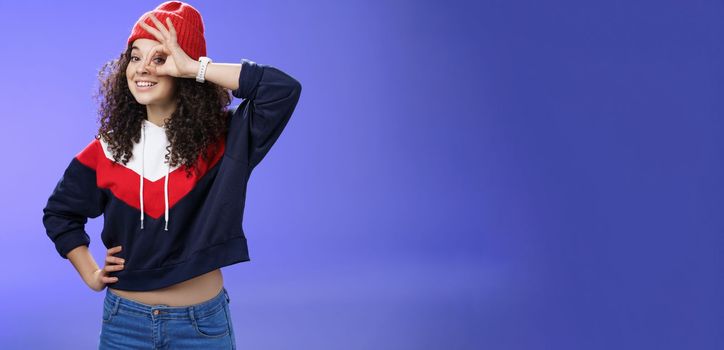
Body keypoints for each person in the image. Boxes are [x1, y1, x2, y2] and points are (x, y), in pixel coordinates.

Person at [40, 1, 302, 348]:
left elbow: (281, 90)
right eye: (135, 57)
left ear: (182, 68)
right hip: (124, 324)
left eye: (159, 58)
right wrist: (89, 272)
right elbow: (59, 213)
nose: (142, 68)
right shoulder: (107, 150)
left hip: (201, 327)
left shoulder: (230, 140)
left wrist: (196, 67)